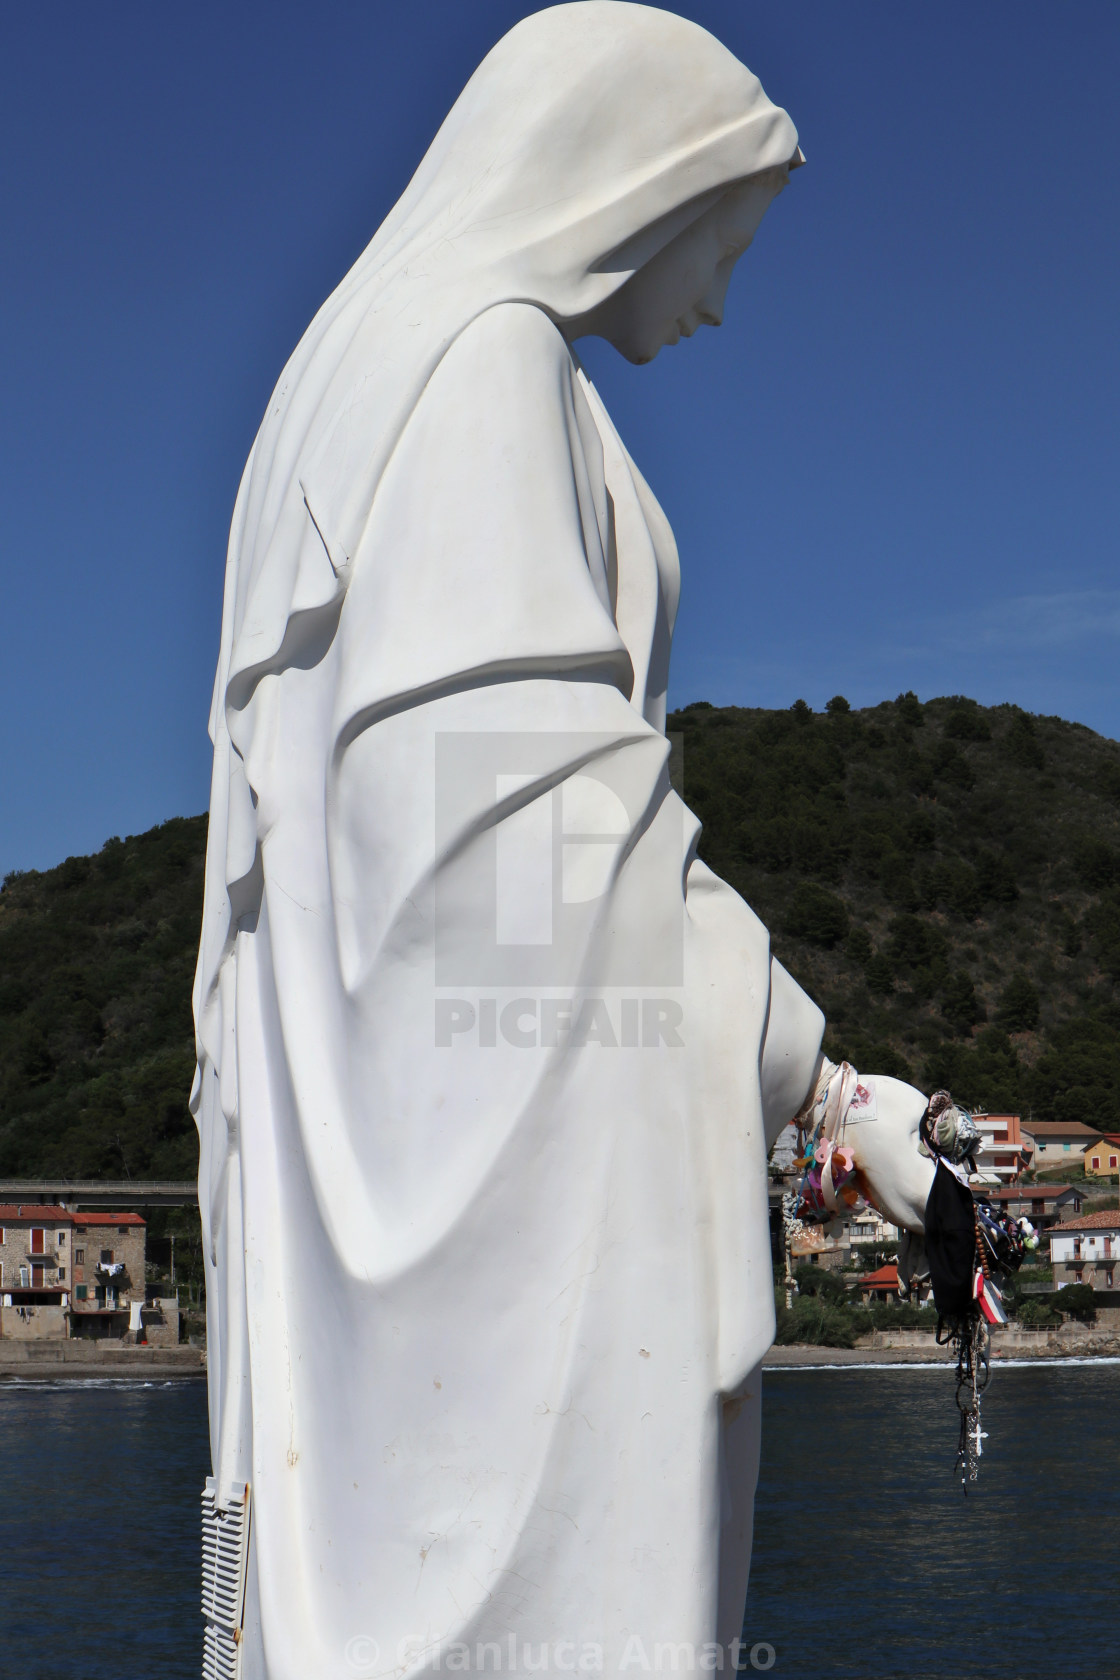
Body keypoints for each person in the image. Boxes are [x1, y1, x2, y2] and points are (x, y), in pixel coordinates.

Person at [193, 7, 927, 1676]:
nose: (721, 298)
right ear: (631, 183)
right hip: (483, 1198)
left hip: (380, 1146)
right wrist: (827, 1086)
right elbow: (535, 863)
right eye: (718, 239)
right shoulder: (479, 364)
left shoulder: (350, 376)